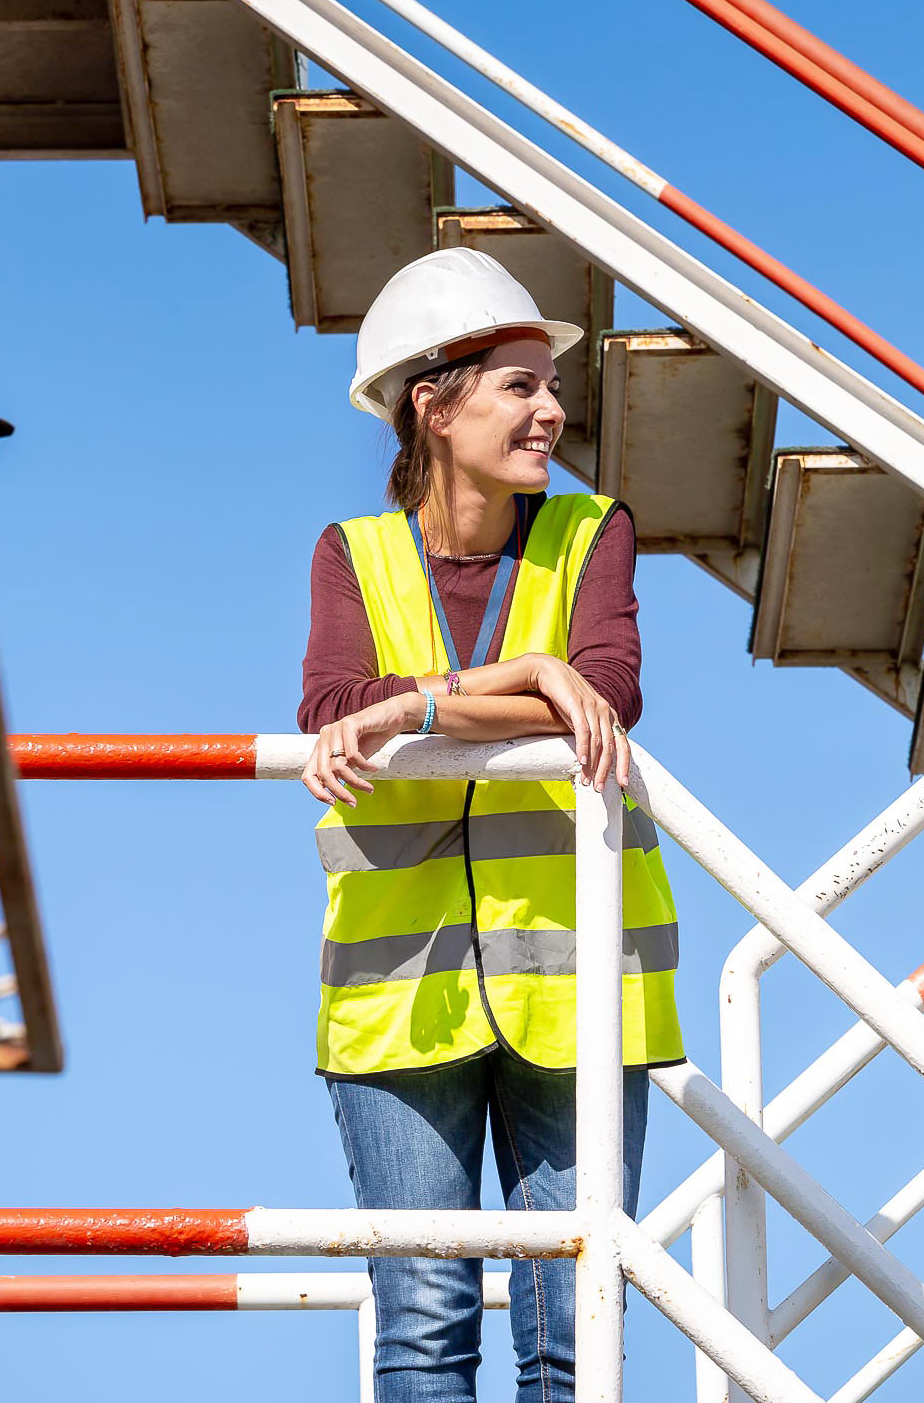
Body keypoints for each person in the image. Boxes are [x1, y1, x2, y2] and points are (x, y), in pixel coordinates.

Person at [298, 247, 683, 1403]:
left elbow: (605, 692)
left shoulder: (588, 533)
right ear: (433, 403)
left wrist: (409, 706)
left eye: (547, 388)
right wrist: (516, 673)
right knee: (421, 1328)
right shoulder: (351, 555)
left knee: (575, 1333)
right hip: (394, 993)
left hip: (578, 982)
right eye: (519, 385)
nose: (550, 410)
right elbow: (327, 710)